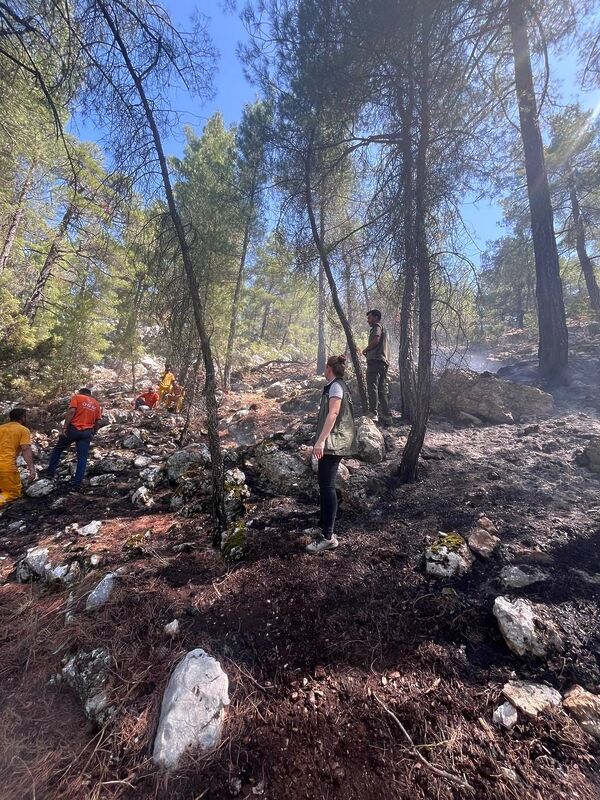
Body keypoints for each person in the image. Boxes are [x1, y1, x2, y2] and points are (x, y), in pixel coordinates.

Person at [306, 354, 357, 554]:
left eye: (325, 367)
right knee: (323, 484)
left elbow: (333, 414)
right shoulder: (335, 385)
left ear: (329, 368)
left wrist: (320, 441)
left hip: (333, 442)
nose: (324, 370)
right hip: (331, 441)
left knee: (327, 487)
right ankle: (321, 526)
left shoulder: (336, 386)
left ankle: (328, 537)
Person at [47, 388, 102, 490]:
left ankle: (50, 473)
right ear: (89, 395)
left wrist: (65, 427)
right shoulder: (96, 404)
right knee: (82, 457)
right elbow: (98, 421)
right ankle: (77, 483)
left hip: (73, 429)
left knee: (58, 449)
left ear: (81, 393)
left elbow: (72, 411)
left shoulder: (77, 397)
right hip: (87, 432)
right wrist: (93, 432)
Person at [0, 408, 36, 506]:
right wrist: (32, 468)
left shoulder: (1, 428)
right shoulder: (23, 430)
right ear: (23, 418)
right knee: (12, 493)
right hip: (6, 467)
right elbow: (25, 449)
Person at [362, 309, 391, 425]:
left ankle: (373, 413)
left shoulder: (377, 327)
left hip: (375, 361)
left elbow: (376, 340)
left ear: (375, 317)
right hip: (383, 362)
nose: (367, 320)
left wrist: (366, 349)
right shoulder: (385, 330)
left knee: (372, 386)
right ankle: (387, 416)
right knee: (381, 389)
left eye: (369, 318)